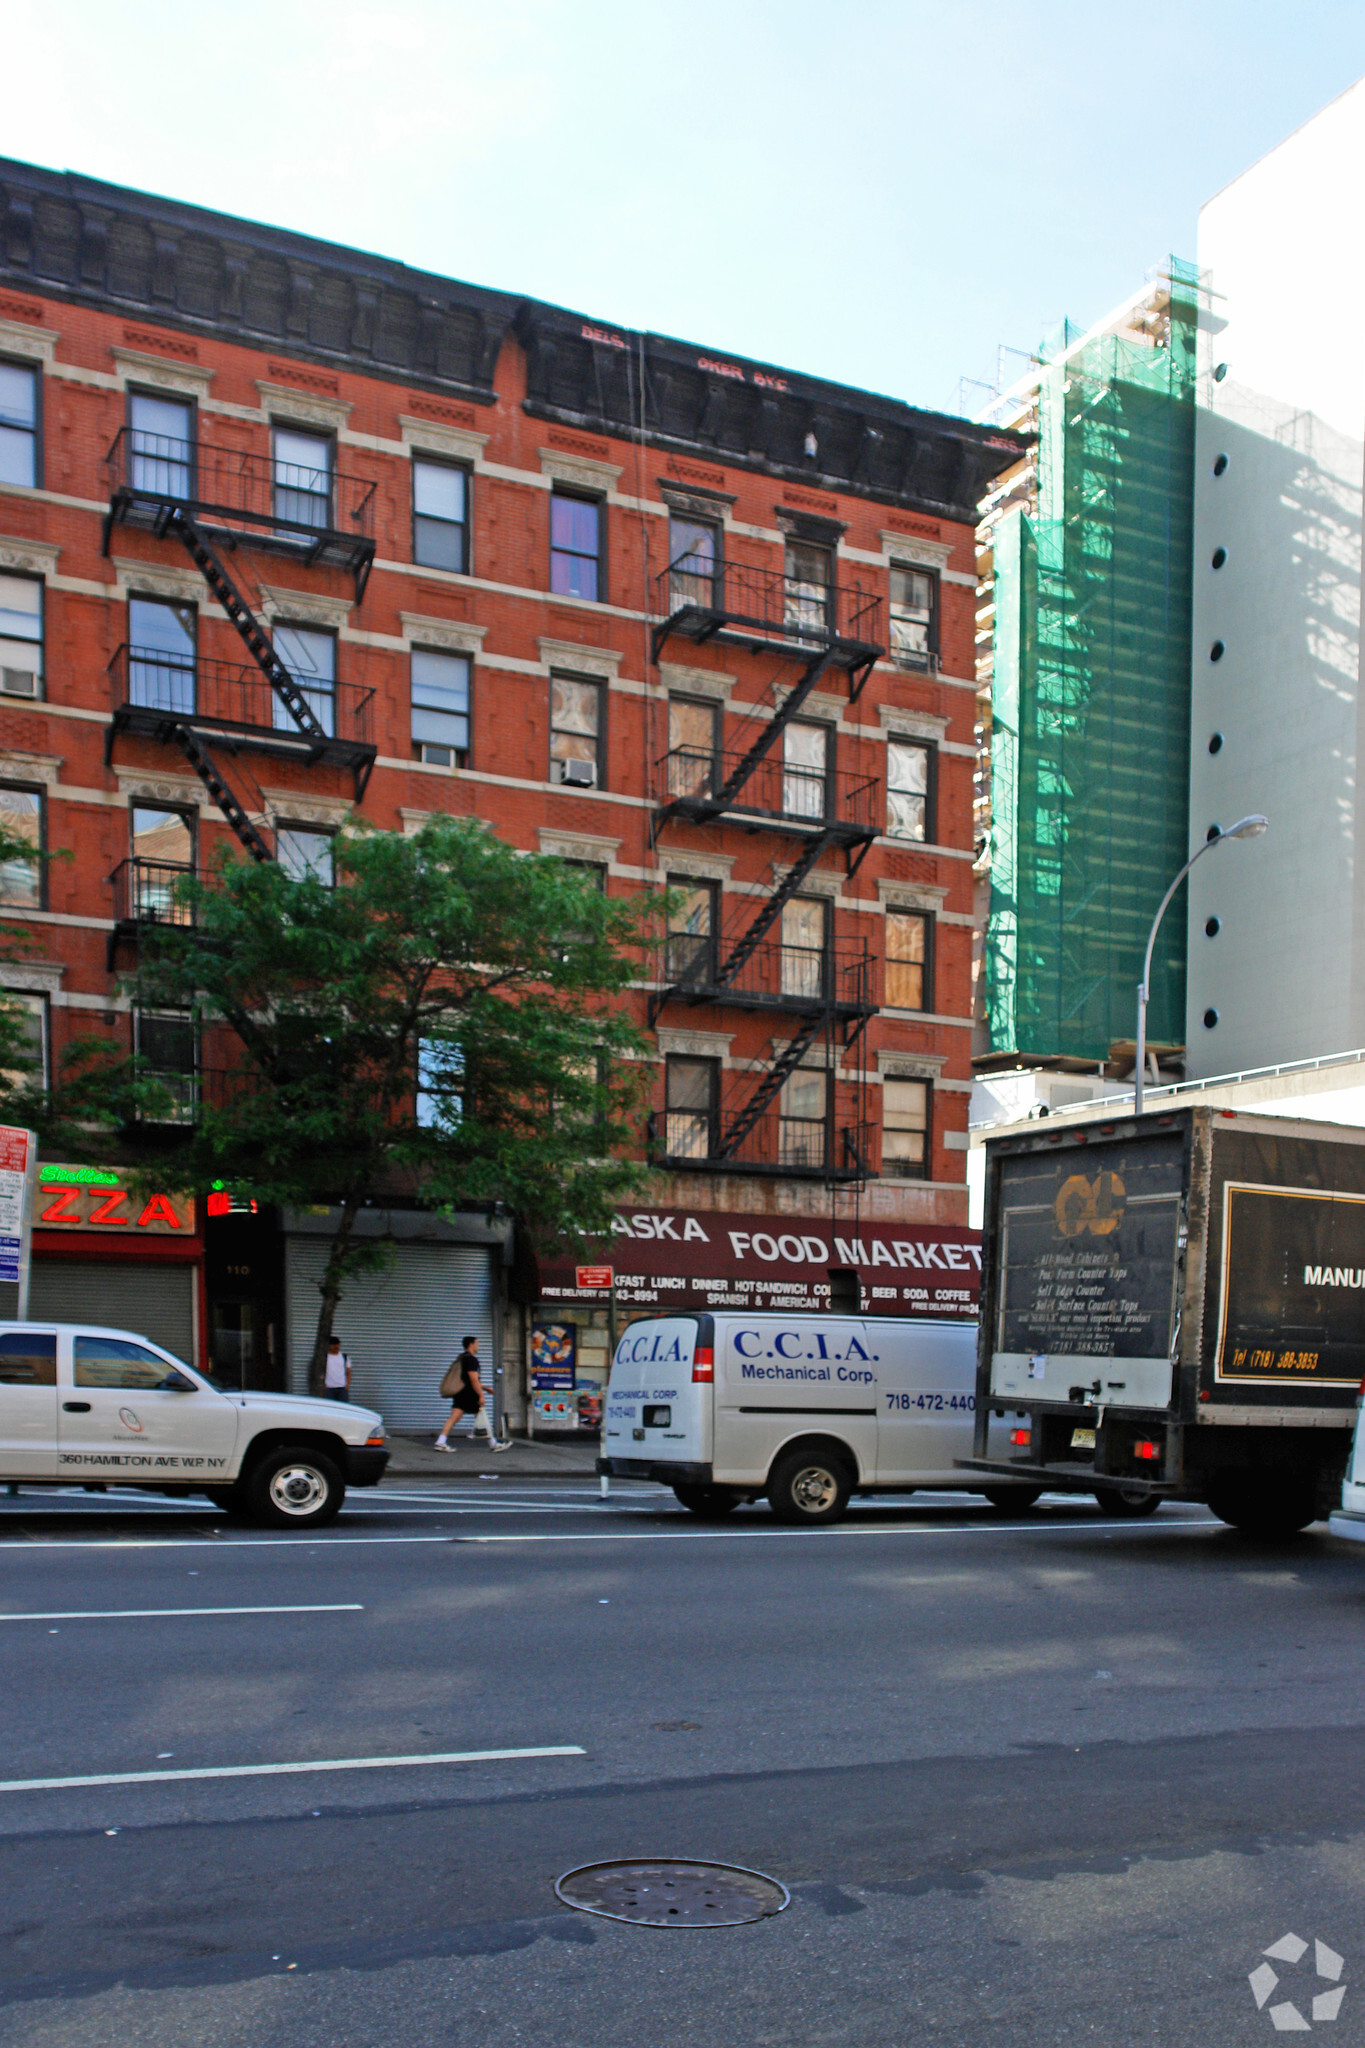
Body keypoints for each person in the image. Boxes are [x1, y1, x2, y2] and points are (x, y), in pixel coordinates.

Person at [435, 1335, 509, 1451]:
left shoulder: (462, 1358)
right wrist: (481, 1394)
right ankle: (493, 1444)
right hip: (470, 1394)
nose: (477, 1346)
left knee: (454, 1418)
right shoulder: (471, 1360)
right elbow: (473, 1379)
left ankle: (441, 1441)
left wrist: (484, 1388)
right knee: (482, 1418)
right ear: (471, 1344)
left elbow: (468, 1379)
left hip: (461, 1393)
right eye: (476, 1343)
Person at [323, 1336, 352, 1403]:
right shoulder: (325, 1357)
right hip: (329, 1388)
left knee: (343, 1408)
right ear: (329, 1345)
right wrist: (325, 1385)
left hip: (342, 1388)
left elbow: (348, 1372)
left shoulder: (344, 1357)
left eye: (337, 1344)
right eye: (333, 1344)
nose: (336, 1346)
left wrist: (347, 1385)